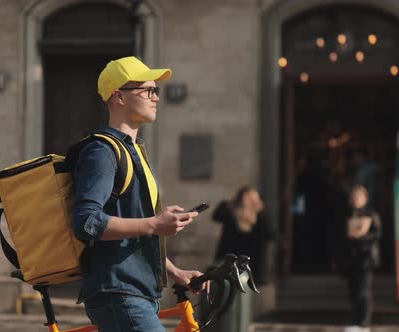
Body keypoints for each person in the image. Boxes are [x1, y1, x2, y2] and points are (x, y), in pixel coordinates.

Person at [72, 56, 208, 332]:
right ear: (119, 97)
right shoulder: (103, 153)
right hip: (119, 293)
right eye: (147, 90)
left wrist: (175, 272)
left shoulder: (134, 152)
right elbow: (86, 221)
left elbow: (138, 234)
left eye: (156, 90)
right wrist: (155, 224)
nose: (156, 97)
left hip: (138, 292)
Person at [212, 186, 272, 285]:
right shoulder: (230, 210)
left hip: (252, 261)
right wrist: (236, 206)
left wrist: (258, 212)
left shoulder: (260, 214)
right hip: (231, 257)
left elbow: (269, 234)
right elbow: (217, 216)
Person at [343, 185, 381, 332]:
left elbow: (377, 234)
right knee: (353, 291)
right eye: (353, 196)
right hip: (352, 257)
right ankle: (354, 322)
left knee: (363, 291)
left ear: (365, 198)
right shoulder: (348, 213)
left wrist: (362, 237)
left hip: (366, 257)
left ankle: (363, 323)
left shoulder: (371, 214)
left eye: (358, 197)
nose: (355, 199)